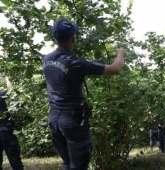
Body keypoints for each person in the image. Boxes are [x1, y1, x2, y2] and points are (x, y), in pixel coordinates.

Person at [42, 19, 126, 170]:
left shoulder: (46, 59)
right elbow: (115, 69)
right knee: (79, 164)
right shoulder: (76, 62)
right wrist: (120, 54)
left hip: (54, 119)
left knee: (67, 163)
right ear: (73, 38)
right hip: (72, 121)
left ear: (55, 38)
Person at [0, 77, 24, 170]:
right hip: (6, 131)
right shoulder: (2, 95)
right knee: (15, 160)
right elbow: (12, 93)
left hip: (5, 130)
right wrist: (8, 80)